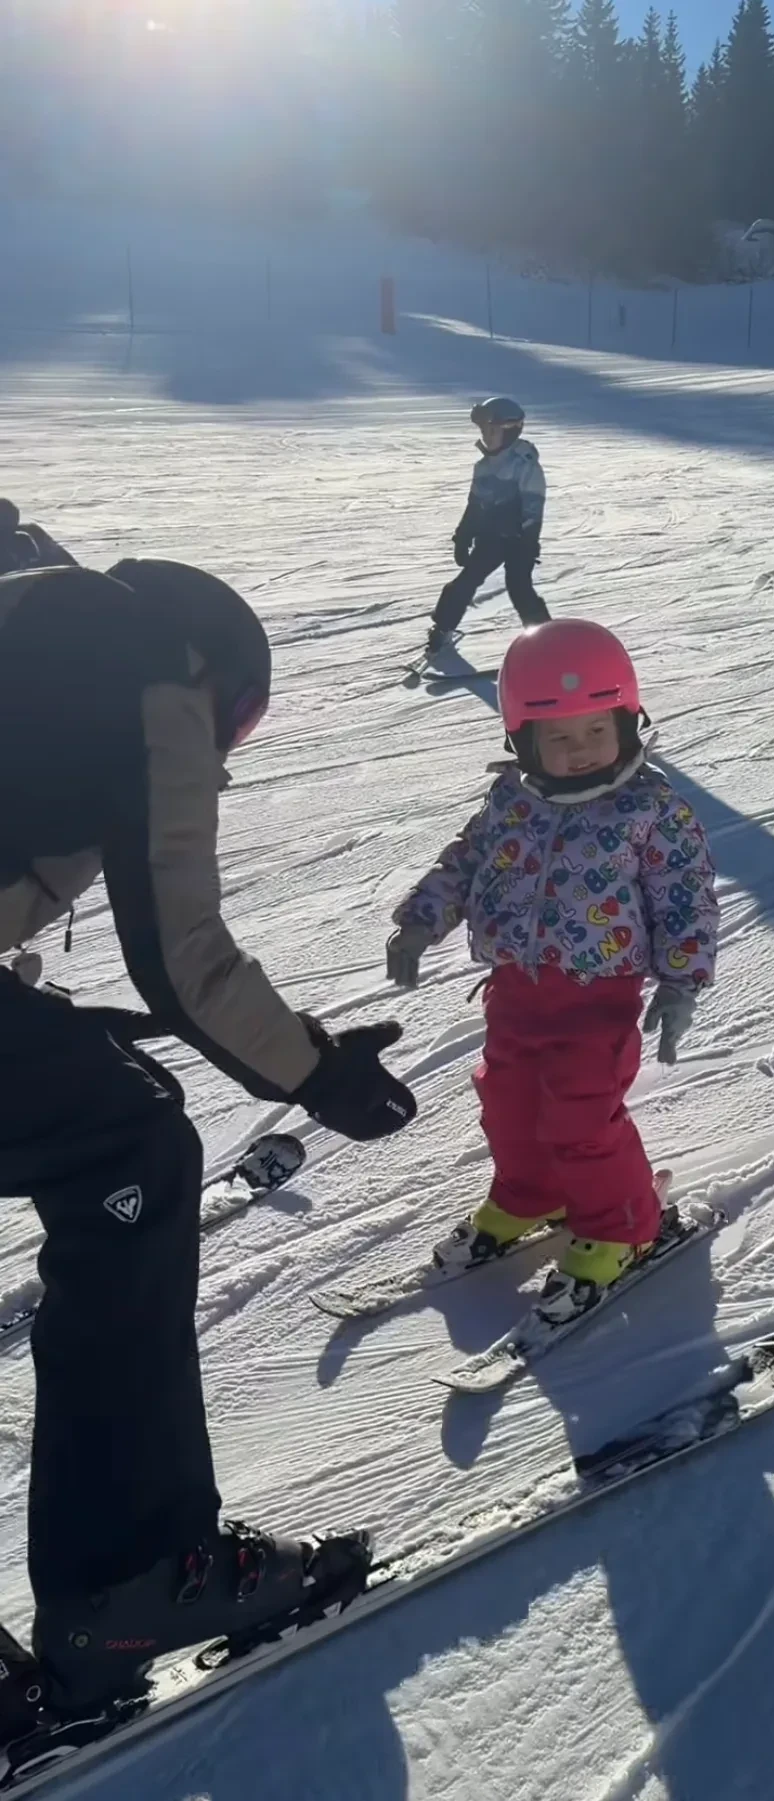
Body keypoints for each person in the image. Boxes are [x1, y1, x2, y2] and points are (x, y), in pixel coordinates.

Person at [0, 559, 417, 1760]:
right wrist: (315, 1072)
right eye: (240, 719)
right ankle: (132, 1575)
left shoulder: (32, 620)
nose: (224, 747)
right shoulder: (153, 668)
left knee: (91, 1099)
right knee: (128, 1147)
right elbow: (180, 954)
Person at [385, 619, 718, 1319]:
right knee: (508, 1103)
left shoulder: (650, 808)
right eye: (558, 737)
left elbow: (684, 896)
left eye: (597, 729)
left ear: (627, 722)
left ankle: (623, 1225)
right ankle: (531, 1194)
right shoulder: (513, 799)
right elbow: (465, 861)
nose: (579, 749)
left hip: (598, 998)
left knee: (580, 1116)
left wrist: (681, 980)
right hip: (516, 988)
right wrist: (421, 918)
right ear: (522, 739)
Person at [426, 398, 550, 660]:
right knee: (463, 583)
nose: (486, 436)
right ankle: (443, 628)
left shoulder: (524, 465)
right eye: (483, 430)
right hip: (491, 539)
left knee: (519, 588)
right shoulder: (483, 467)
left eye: (492, 431)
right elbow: (474, 505)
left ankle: (547, 640)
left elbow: (533, 507)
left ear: (509, 431)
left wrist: (527, 541)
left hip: (519, 541)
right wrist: (463, 536)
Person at [0, 498, 76, 576]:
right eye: (5, 519)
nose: (8, 525)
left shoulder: (24, 539)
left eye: (11, 519)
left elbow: (36, 565)